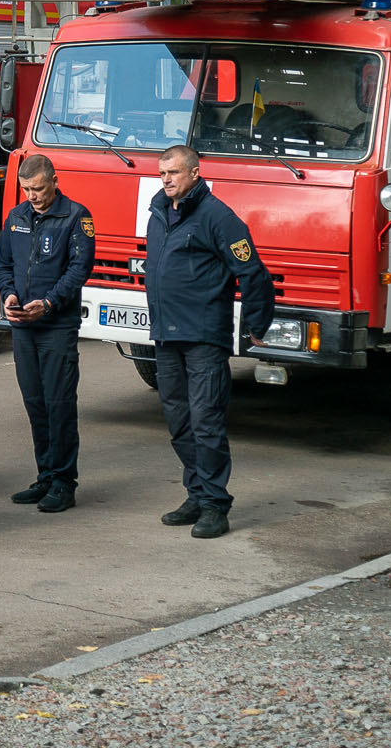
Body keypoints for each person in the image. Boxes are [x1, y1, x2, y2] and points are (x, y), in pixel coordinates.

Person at [144, 145, 275, 539]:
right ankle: (197, 494)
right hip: (167, 338)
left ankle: (216, 505)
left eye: (174, 172)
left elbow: (253, 273)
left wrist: (256, 323)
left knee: (206, 423)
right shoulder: (159, 212)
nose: (166, 178)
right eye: (162, 172)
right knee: (179, 422)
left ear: (195, 174)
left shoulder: (219, 217)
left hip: (203, 338)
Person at [0, 155, 94, 513]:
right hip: (23, 326)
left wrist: (50, 303)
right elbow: (2, 263)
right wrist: (8, 294)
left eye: (38, 188)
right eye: (27, 189)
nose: (33, 196)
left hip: (57, 326)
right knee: (35, 404)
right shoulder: (17, 216)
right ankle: (46, 475)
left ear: (54, 180)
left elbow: (79, 269)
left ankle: (64, 482)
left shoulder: (76, 217)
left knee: (59, 405)